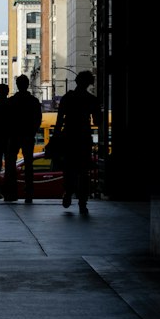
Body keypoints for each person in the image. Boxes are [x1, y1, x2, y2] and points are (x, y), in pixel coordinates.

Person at [54, 69, 100, 214]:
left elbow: (59, 120)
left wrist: (56, 138)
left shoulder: (67, 98)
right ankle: (82, 202)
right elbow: (97, 121)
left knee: (69, 168)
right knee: (84, 171)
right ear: (89, 84)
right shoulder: (92, 99)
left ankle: (68, 193)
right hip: (84, 137)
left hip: (69, 135)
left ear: (77, 81)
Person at [3, 75, 43, 203]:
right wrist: (32, 131)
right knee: (29, 164)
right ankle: (29, 193)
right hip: (28, 135)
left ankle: (11, 193)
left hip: (14, 135)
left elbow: (6, 120)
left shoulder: (11, 101)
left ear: (17, 85)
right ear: (27, 85)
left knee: (10, 165)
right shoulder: (34, 101)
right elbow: (38, 119)